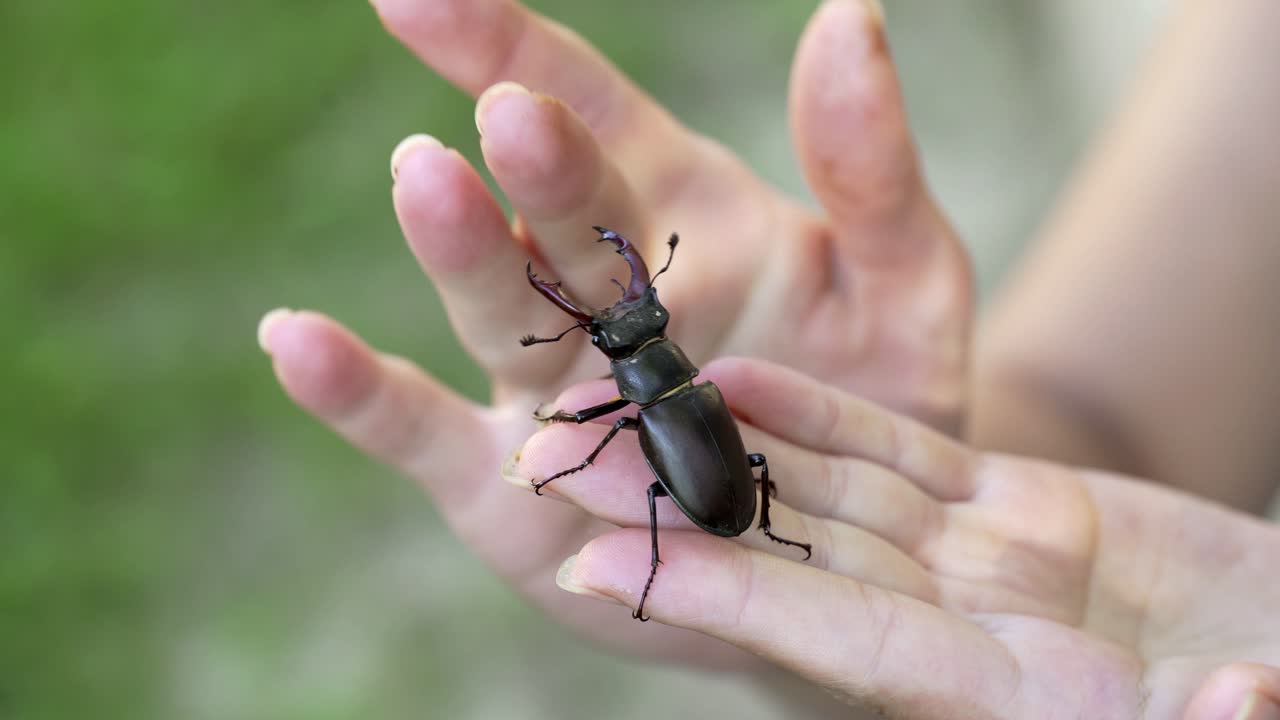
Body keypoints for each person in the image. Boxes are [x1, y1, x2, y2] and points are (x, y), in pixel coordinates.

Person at [258, 0, 1280, 716]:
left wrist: (578, 442)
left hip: (712, 490)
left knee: (641, 477)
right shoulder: (686, 391)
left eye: (626, 323)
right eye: (622, 329)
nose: (624, 325)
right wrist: (908, 522)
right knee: (661, 475)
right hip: (725, 493)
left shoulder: (660, 398)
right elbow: (1107, 428)